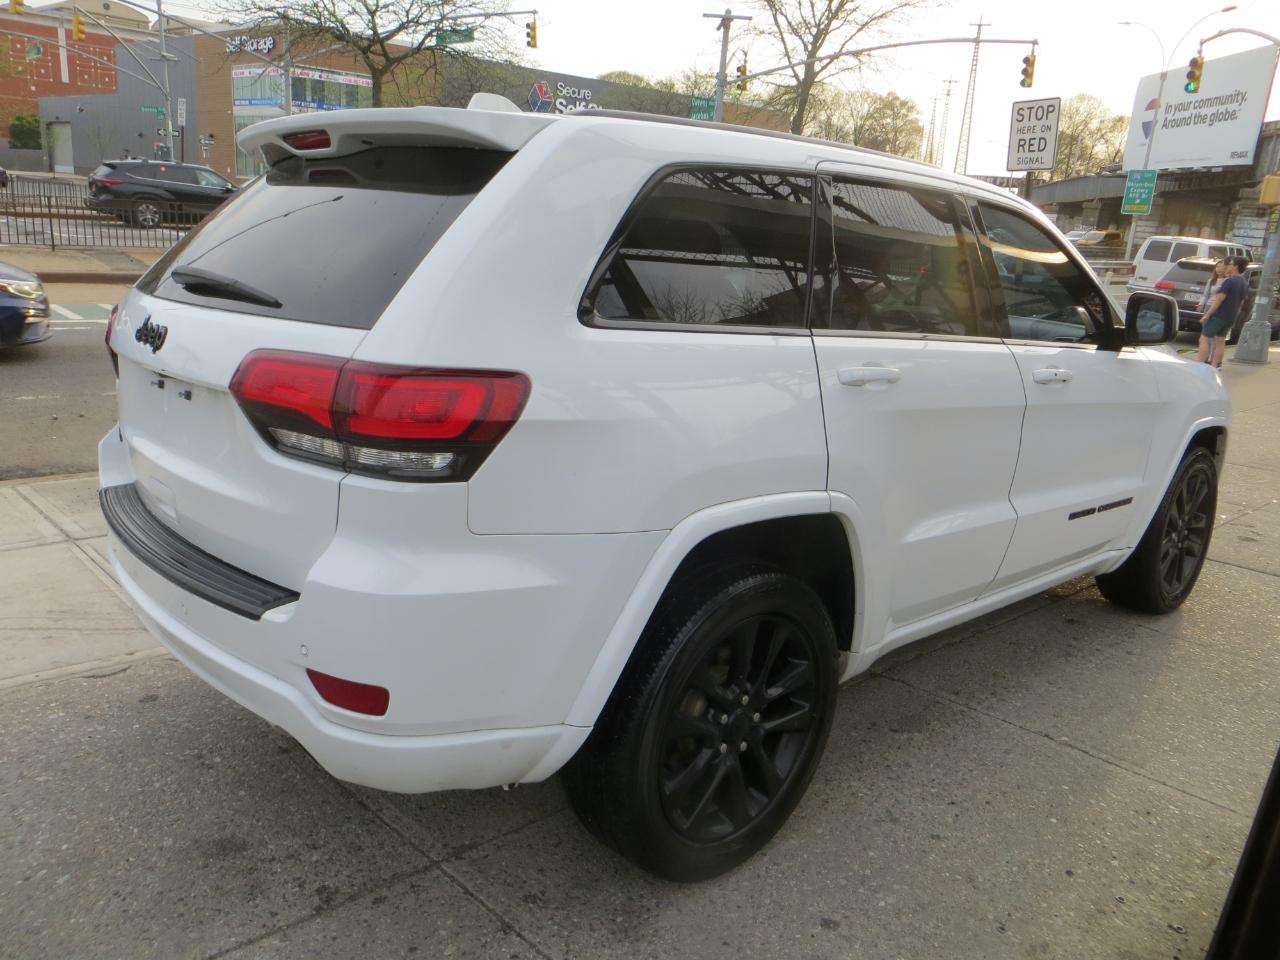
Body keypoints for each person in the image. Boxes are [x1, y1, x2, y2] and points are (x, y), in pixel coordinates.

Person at [1197, 256, 1250, 368]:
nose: (1227, 266)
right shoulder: (1244, 283)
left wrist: (1207, 315)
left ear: (1235, 267)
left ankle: (1199, 364)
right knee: (1220, 340)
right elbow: (1240, 303)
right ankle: (1216, 366)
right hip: (1230, 317)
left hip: (1218, 315)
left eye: (1230, 264)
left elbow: (1218, 300)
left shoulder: (1229, 281)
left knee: (1204, 338)